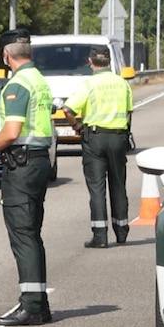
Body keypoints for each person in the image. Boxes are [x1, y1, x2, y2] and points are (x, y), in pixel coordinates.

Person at [0, 28, 55, 326]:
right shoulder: (39, 80)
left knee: (23, 234)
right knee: (31, 232)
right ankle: (39, 303)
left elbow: (12, 131)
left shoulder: (17, 85)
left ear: (6, 56)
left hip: (22, 164)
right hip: (38, 160)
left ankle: (31, 305)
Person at [63, 47, 133, 247]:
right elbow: (129, 112)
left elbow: (67, 109)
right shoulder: (122, 84)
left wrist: (77, 127)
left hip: (95, 137)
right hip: (118, 137)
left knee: (97, 188)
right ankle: (121, 232)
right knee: (118, 184)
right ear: (110, 62)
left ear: (90, 62)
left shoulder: (89, 84)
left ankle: (100, 236)